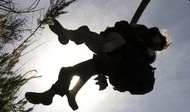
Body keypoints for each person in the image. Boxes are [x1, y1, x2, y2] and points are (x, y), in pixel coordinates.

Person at [25, 19, 170, 110]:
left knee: (90, 36)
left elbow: (121, 34)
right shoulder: (146, 52)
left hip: (112, 54)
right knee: (69, 71)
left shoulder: (144, 46)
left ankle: (68, 35)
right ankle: (49, 95)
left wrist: (105, 52)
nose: (155, 39)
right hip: (106, 64)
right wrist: (103, 75)